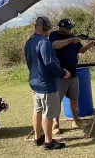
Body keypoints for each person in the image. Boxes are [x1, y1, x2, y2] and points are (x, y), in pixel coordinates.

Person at [49, 18, 95, 135]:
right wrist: (71, 40)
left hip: (73, 73)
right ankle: (55, 124)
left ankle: (76, 120)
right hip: (60, 75)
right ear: (61, 28)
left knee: (74, 99)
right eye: (68, 28)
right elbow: (55, 45)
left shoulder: (73, 36)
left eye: (71, 28)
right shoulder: (54, 35)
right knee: (56, 101)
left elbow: (81, 50)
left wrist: (92, 42)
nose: (70, 30)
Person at [24, 16, 71, 150]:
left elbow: (29, 62)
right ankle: (48, 142)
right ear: (46, 27)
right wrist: (63, 73)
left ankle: (37, 138)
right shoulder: (44, 42)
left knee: (37, 110)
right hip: (46, 84)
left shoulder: (30, 41)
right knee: (48, 114)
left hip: (34, 82)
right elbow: (50, 62)